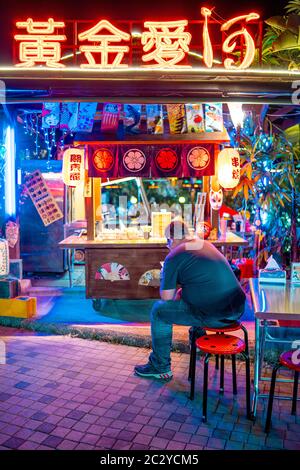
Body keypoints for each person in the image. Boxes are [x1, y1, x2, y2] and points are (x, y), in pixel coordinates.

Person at [134, 220, 246, 380]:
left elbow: (166, 298)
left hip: (215, 316)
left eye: (168, 240)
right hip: (237, 310)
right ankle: (198, 344)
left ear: (173, 238)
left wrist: (166, 270)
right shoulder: (204, 244)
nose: (167, 245)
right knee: (189, 295)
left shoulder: (174, 255)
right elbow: (201, 283)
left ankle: (160, 366)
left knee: (159, 311)